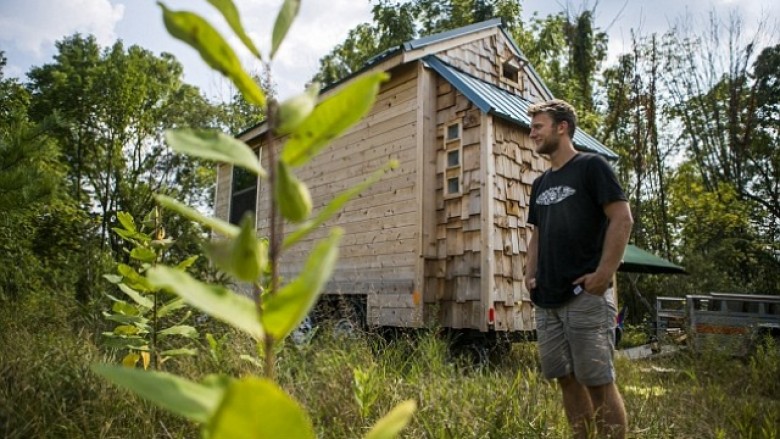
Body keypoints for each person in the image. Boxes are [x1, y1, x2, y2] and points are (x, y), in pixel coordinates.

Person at [524, 99, 633, 439]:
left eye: (538, 126)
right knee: (565, 379)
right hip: (548, 299)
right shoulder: (539, 184)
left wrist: (603, 274)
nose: (532, 133)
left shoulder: (591, 167)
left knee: (598, 381)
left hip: (585, 295)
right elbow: (537, 235)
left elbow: (622, 218)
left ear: (562, 127)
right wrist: (529, 274)